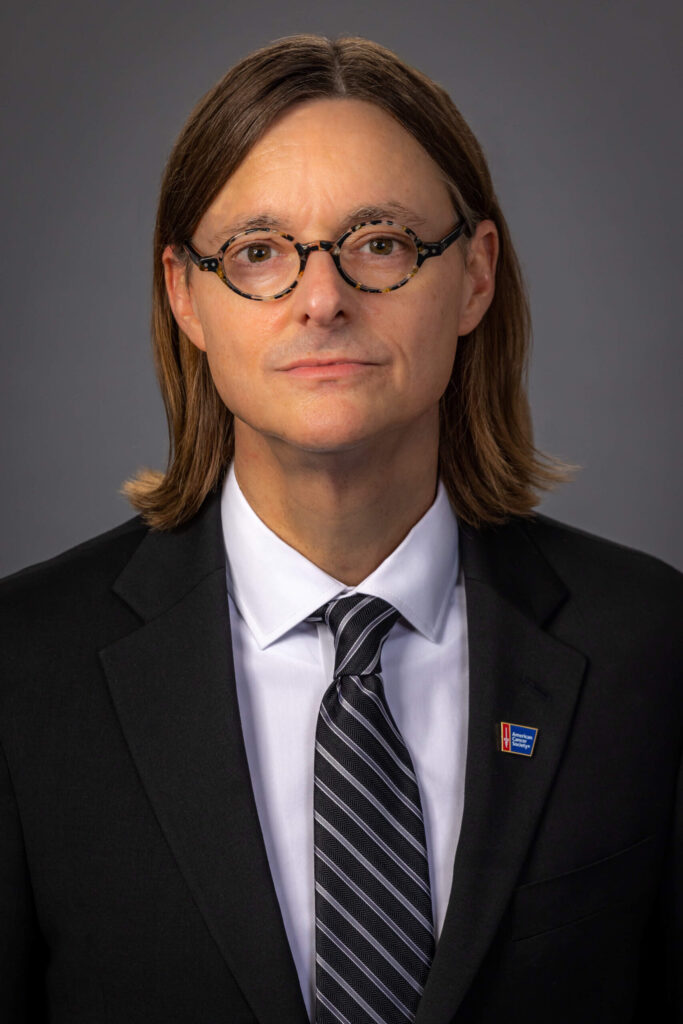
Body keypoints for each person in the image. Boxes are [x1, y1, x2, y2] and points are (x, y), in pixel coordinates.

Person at [0, 34, 680, 1024]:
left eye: (380, 242)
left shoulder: (649, 645)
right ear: (185, 294)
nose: (321, 301)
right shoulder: (22, 671)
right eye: (259, 252)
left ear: (474, 276)